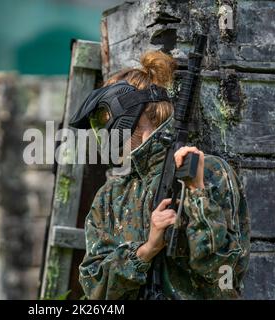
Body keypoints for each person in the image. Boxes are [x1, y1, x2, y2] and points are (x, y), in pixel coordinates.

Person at [70, 51, 250, 300]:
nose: (102, 132)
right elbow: (94, 291)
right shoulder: (110, 197)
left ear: (132, 111)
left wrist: (197, 194)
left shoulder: (207, 172)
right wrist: (145, 250)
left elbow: (225, 274)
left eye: (103, 118)